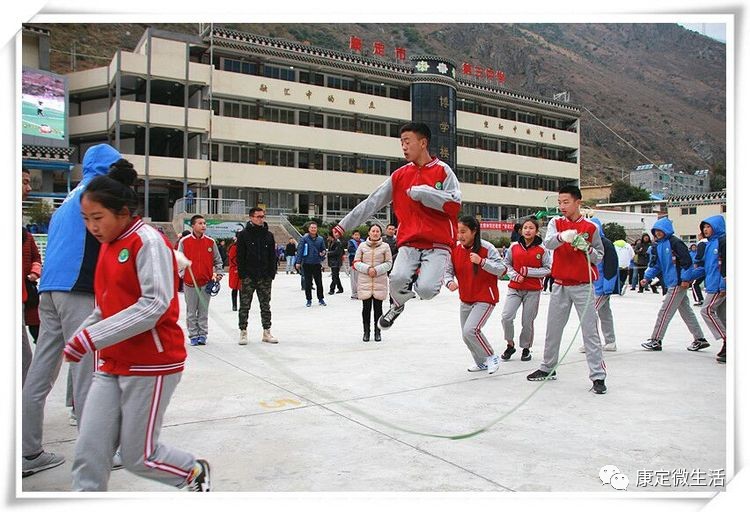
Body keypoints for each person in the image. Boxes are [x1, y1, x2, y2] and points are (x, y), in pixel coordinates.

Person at [64, 161, 210, 492]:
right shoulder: (107, 246)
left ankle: (192, 473)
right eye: (86, 219)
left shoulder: (147, 241)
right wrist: (80, 336)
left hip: (151, 364)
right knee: (89, 453)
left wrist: (91, 337)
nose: (92, 227)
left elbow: (155, 304)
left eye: (98, 218)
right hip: (113, 363)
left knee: (138, 456)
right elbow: (104, 308)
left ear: (124, 212)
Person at [22, 144, 123, 478]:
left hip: (49, 290)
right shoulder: (98, 195)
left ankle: (27, 451)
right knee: (87, 373)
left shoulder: (69, 197)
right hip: (78, 292)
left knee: (41, 371)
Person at [332, 122, 461, 330]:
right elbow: (372, 202)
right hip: (409, 241)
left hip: (438, 243)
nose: (403, 147)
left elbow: (454, 205)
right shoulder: (399, 176)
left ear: (423, 143)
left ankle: (411, 292)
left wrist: (424, 193)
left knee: (427, 290)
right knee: (397, 278)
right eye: (401, 143)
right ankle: (397, 305)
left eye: (407, 142)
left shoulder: (443, 171)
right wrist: (343, 224)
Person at [526, 185, 608, 395]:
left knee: (590, 331)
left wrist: (587, 248)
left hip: (583, 286)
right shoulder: (556, 222)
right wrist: (563, 237)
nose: (562, 206)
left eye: (566, 202)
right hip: (560, 284)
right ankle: (547, 367)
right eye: (559, 202)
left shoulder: (591, 228)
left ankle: (598, 376)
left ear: (577, 202)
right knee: (553, 329)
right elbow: (548, 243)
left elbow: (599, 255)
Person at [444, 216, 507, 373]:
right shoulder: (455, 250)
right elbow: (447, 271)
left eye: (464, 232)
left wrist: (482, 262)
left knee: (470, 330)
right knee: (466, 336)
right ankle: (481, 363)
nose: (460, 236)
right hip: (466, 298)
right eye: (458, 232)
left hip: (485, 297)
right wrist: (448, 282)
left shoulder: (487, 248)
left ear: (474, 231)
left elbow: (501, 269)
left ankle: (491, 356)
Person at [640, 217, 708, 352]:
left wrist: (685, 279)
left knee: (664, 312)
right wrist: (647, 277)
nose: (657, 233)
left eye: (660, 231)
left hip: (677, 283)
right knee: (686, 312)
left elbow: (686, 262)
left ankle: (656, 340)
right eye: (656, 231)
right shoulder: (658, 245)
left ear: (666, 230)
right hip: (672, 282)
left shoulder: (675, 243)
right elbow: (656, 265)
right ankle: (700, 339)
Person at [500, 217, 550, 362]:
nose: (528, 230)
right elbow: (506, 263)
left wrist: (528, 272)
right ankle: (510, 344)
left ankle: (526, 348)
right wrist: (514, 275)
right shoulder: (514, 247)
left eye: (531, 228)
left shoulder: (543, 249)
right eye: (525, 228)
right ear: (521, 230)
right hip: (514, 289)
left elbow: (548, 269)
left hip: (533, 290)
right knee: (506, 317)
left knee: (527, 321)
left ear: (537, 231)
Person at [177, 215, 224, 346]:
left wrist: (219, 273)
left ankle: (202, 334)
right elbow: (179, 260)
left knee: (203, 311)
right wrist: (182, 274)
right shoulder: (184, 242)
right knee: (191, 311)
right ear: (193, 226)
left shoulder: (210, 242)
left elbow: (218, 260)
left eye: (204, 223)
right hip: (190, 283)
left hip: (206, 283)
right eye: (200, 223)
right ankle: (193, 335)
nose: (203, 225)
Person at [236, 207, 278, 345]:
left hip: (265, 276)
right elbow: (240, 256)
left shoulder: (269, 235)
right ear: (251, 218)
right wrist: (243, 274)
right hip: (249, 275)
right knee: (244, 305)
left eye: (263, 216)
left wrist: (272, 273)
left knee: (265, 305)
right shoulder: (243, 235)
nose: (261, 219)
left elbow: (273, 256)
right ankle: (243, 331)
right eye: (258, 216)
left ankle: (267, 331)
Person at [577, 218, 619, 353]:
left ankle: (591, 342)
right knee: (604, 313)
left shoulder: (606, 244)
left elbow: (612, 265)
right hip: (591, 285)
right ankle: (610, 341)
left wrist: (608, 286)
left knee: (589, 314)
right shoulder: (586, 244)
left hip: (602, 287)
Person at [693, 215, 726, 363]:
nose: (705, 230)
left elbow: (726, 264)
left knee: (706, 310)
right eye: (704, 227)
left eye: (708, 226)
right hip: (712, 284)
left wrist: (724, 284)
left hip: (719, 286)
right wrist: (687, 276)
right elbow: (705, 267)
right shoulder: (709, 244)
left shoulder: (723, 241)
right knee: (722, 316)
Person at [353, 224, 393, 342]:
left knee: (378, 309)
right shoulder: (362, 246)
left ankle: (377, 332)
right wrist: (367, 269)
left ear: (380, 233)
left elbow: (389, 263)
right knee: (366, 309)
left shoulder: (385, 246)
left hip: (379, 281)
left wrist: (376, 270)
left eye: (377, 231)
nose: (375, 233)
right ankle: (366, 332)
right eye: (373, 231)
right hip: (365, 281)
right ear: (369, 233)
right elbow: (356, 262)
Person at [21, 169, 41, 381]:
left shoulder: (25, 233)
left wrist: (35, 272)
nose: (29, 188)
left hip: (26, 296)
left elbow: (36, 258)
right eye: (24, 182)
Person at [296, 221, 327, 307]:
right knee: (308, 283)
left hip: (317, 263)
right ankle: (308, 300)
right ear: (309, 229)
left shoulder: (320, 239)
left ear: (317, 229)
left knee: (319, 283)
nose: (313, 229)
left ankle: (321, 299)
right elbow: (300, 250)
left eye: (315, 228)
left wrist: (322, 255)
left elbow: (323, 250)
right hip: (307, 263)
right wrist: (298, 262)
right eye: (312, 228)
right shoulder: (304, 238)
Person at [689, 240, 706, 306]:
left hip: (701, 268)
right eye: (693, 247)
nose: (694, 248)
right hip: (699, 268)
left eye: (695, 247)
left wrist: (696, 262)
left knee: (694, 284)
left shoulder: (700, 249)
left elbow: (698, 259)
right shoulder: (690, 253)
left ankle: (700, 300)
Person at [347, 230, 363, 299]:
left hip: (362, 263)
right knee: (354, 279)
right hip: (353, 263)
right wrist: (359, 251)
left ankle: (361, 292)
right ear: (352, 236)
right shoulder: (350, 242)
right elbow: (350, 250)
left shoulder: (363, 242)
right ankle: (354, 293)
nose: (357, 236)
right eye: (355, 235)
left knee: (361, 279)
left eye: (358, 235)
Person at [227, 237, 240, 311]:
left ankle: (243, 305)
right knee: (235, 288)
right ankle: (234, 305)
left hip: (242, 269)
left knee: (242, 289)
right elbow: (232, 258)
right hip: (235, 269)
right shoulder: (233, 247)